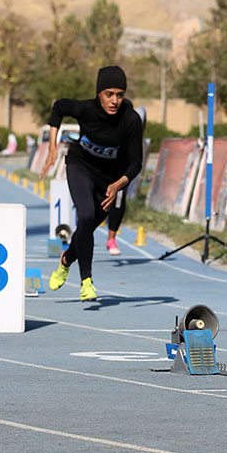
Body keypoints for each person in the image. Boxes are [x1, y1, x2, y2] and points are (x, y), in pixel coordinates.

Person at [38, 66, 144, 300]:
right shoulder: (85, 109)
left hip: (109, 183)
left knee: (87, 227)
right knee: (85, 216)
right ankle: (87, 281)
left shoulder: (131, 120)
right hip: (80, 167)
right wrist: (52, 148)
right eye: (109, 94)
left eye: (120, 94)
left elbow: (136, 163)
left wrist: (119, 185)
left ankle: (65, 260)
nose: (115, 100)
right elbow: (58, 108)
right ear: (99, 93)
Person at [104, 106, 147, 256]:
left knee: (118, 199)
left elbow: (144, 112)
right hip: (105, 163)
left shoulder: (138, 115)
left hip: (122, 168)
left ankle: (111, 239)